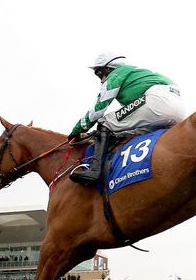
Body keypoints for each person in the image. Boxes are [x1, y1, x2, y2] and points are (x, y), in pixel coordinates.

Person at [68, 52, 186, 183]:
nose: (101, 80)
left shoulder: (116, 74)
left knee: (104, 122)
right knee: (124, 132)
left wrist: (78, 129)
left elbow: (98, 110)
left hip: (157, 103)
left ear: (108, 68)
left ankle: (94, 170)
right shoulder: (136, 72)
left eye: (99, 74)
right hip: (179, 109)